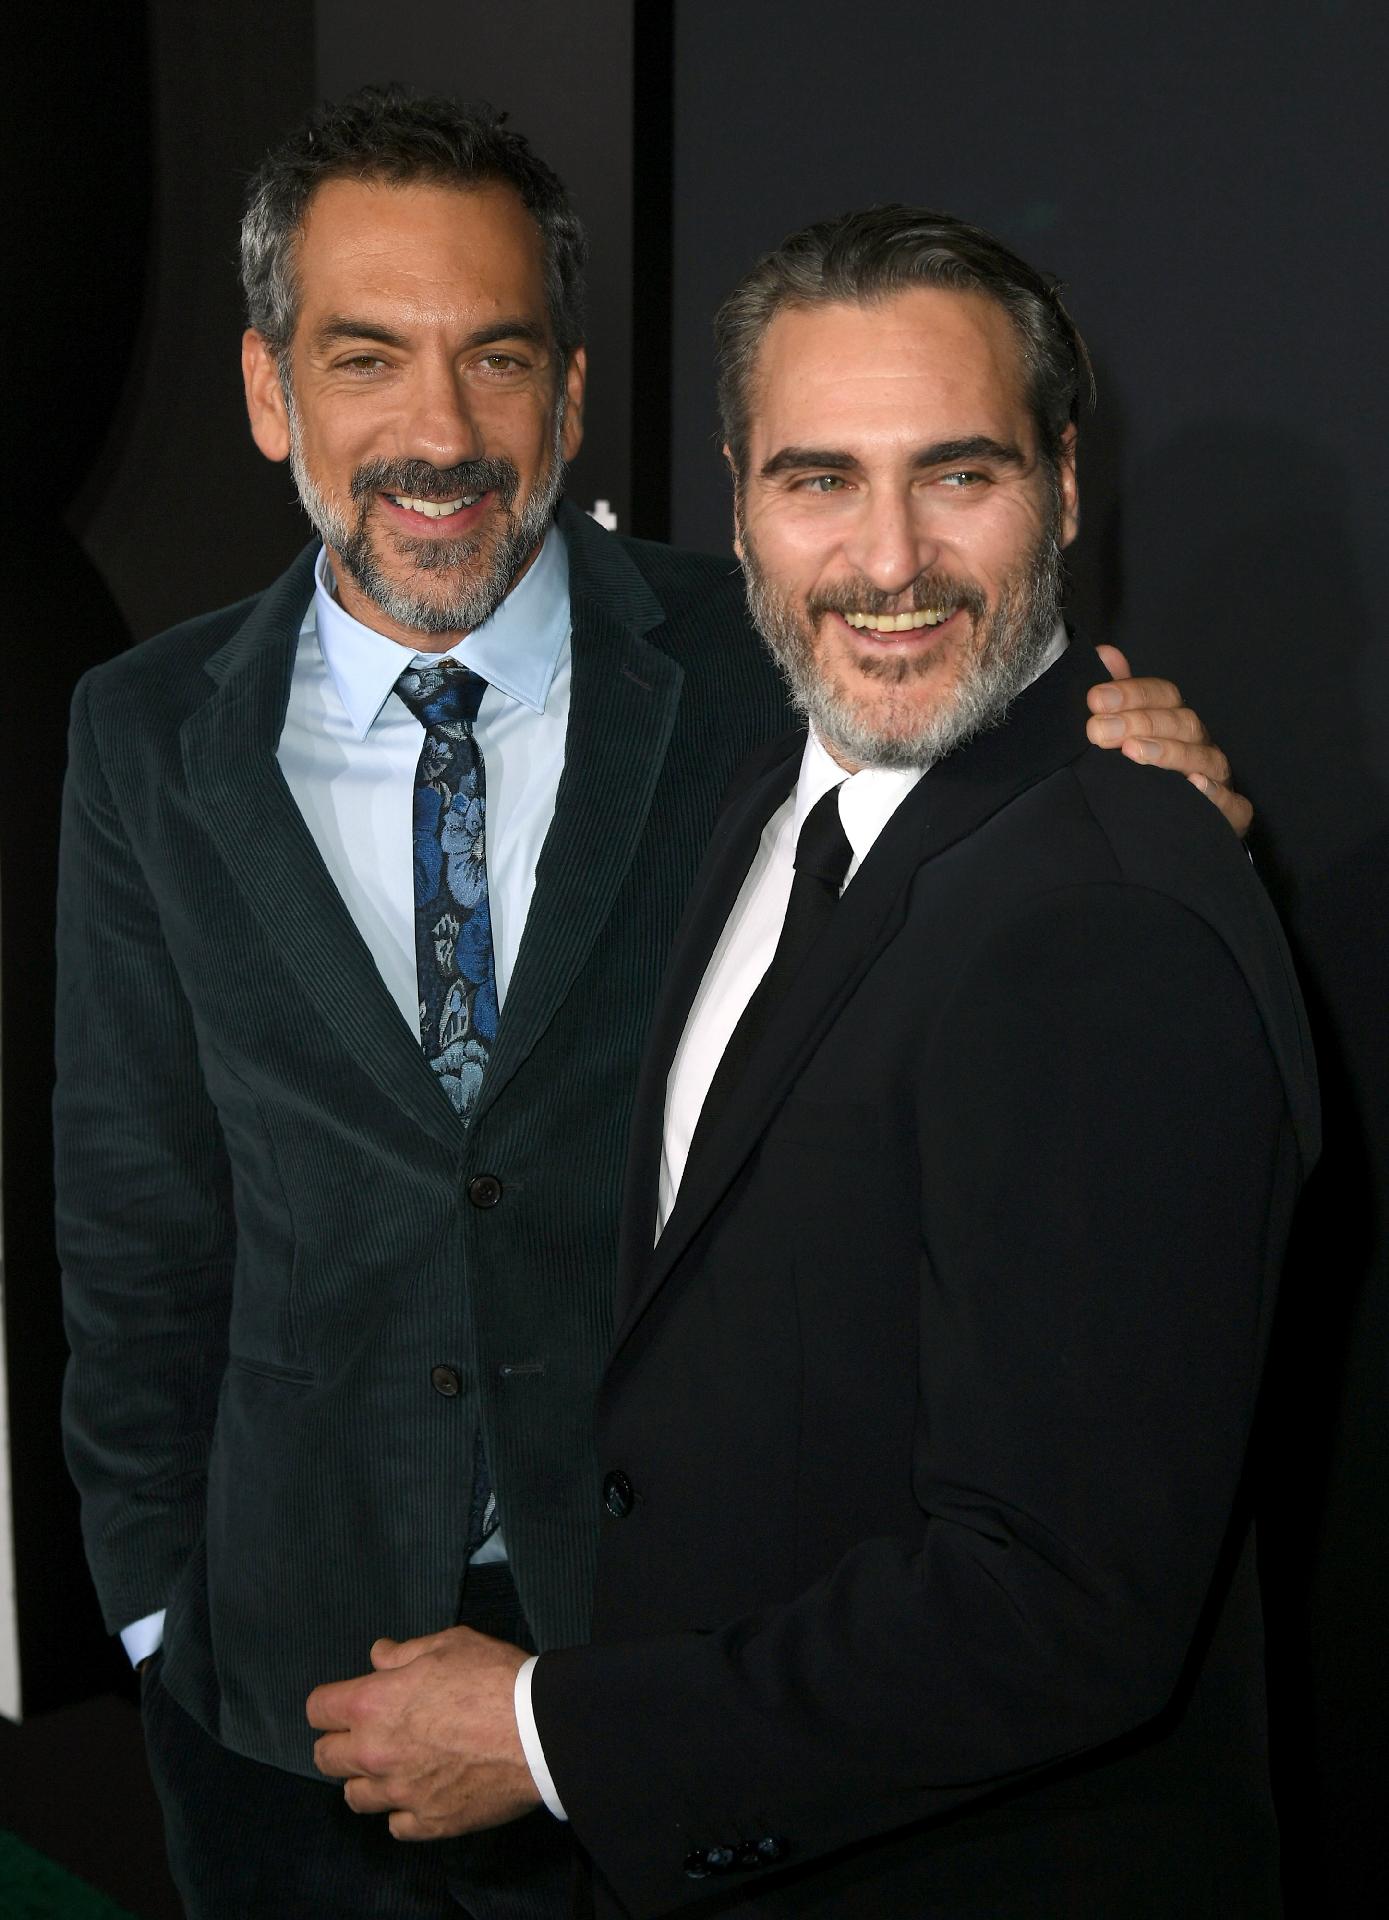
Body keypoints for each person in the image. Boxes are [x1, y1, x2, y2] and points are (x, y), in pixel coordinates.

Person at [54, 86, 1245, 1920]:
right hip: (276, 1687)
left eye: (498, 357)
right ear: (268, 390)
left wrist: (1145, 774)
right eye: (367, 358)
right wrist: (156, 1606)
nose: (438, 433)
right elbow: (134, 1212)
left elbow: (1001, 779)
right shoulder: (141, 731)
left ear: (575, 394)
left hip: (663, 1668)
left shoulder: (780, 649)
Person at [307, 205, 1319, 1918]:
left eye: (961, 474)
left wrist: (553, 1736)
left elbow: (1058, 1611)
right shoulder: (776, 793)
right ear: (738, 499)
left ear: (1065, 486)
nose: (886, 559)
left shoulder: (1102, 919)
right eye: (818, 480)